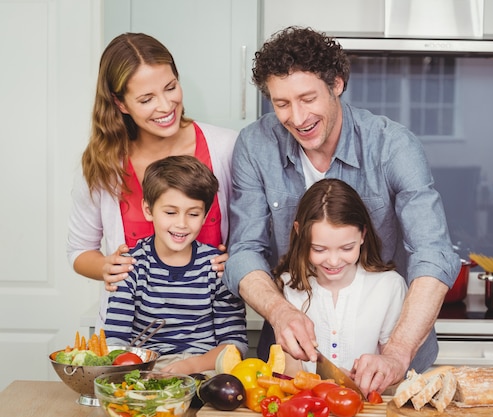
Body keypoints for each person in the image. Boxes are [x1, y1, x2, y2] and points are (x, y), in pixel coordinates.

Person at [223, 26, 460, 394]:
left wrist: (396, 352)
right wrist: (280, 311)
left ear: (337, 84)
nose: (297, 118)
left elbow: (433, 253)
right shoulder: (255, 146)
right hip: (293, 363)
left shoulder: (392, 146)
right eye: (281, 103)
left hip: (391, 362)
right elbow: (243, 253)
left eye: (307, 98)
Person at [67, 33, 236, 328]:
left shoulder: (226, 148)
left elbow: (256, 238)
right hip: (129, 335)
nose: (166, 106)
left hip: (208, 334)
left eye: (171, 87)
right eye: (146, 99)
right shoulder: (103, 164)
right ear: (120, 103)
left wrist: (236, 260)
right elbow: (79, 251)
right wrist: (106, 266)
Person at [104, 155, 247, 374]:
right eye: (170, 212)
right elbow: (115, 344)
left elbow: (235, 346)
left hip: (204, 367)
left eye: (193, 214)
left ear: (205, 214)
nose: (181, 224)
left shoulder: (216, 268)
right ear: (148, 210)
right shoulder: (131, 267)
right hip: (146, 370)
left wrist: (190, 366)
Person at [273, 178, 407, 376]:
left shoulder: (389, 286)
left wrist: (370, 378)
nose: (334, 261)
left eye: (346, 248)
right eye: (319, 249)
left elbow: (393, 371)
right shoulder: (288, 285)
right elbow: (290, 372)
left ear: (363, 234)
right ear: (300, 232)